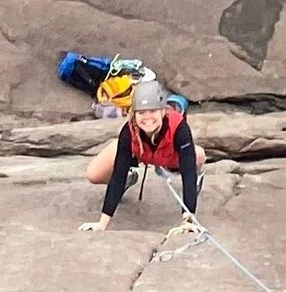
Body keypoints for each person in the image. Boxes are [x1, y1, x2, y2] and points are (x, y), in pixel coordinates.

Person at [79, 75, 202, 234]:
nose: (147, 117)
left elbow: (188, 172)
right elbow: (118, 175)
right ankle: (131, 177)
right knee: (94, 174)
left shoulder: (179, 128)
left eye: (153, 111)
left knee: (196, 156)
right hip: (139, 154)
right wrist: (102, 224)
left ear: (163, 111)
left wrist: (188, 219)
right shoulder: (129, 132)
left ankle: (193, 183)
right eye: (141, 112)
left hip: (169, 156)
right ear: (134, 114)